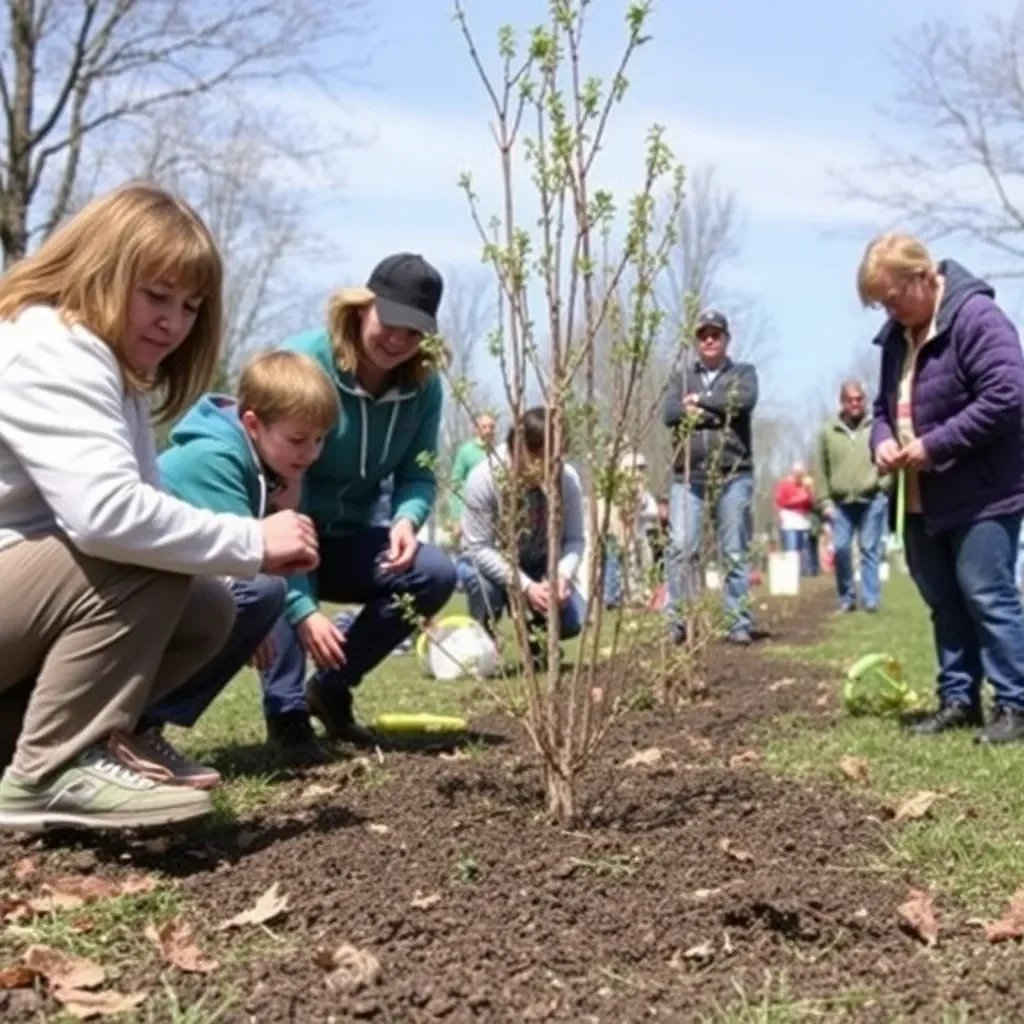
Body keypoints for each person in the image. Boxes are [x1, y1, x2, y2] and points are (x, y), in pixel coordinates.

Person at [0, 183, 318, 831]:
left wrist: (239, 576)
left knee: (208, 605)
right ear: (102, 269)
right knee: (141, 558)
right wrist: (253, 541)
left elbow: (142, 502)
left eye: (191, 305)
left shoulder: (116, 374)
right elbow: (108, 516)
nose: (174, 322)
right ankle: (49, 772)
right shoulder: (50, 346)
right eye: (156, 296)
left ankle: (94, 742)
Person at [260, 254, 458, 758]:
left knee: (433, 573)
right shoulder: (306, 362)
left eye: (414, 333)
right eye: (389, 323)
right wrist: (303, 607)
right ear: (362, 306)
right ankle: (286, 716)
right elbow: (275, 487)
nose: (397, 341)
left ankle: (330, 687)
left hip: (350, 538)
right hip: (283, 525)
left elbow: (417, 470)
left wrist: (407, 519)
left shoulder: (422, 386)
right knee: (281, 567)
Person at [861, 232, 1024, 743]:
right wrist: (883, 441)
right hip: (920, 496)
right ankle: (959, 699)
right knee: (943, 600)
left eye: (892, 298)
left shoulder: (976, 318)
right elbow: (883, 410)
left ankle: (1015, 704)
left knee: (988, 595)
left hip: (983, 492)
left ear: (922, 277)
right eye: (881, 304)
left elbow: (1007, 394)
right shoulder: (896, 337)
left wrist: (934, 446)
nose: (889, 311)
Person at [147, 350, 341, 766]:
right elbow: (246, 559)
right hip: (138, 591)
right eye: (297, 439)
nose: (310, 453)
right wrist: (272, 616)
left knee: (267, 593)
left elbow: (282, 556)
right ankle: (141, 722)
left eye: (319, 439)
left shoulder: (266, 466)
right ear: (253, 424)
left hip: (177, 584)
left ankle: (142, 723)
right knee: (261, 592)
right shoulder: (214, 460)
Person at [459, 406, 586, 667]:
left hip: (540, 563)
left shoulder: (567, 479)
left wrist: (561, 575)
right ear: (519, 448)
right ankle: (486, 640)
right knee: (484, 588)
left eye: (556, 459)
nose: (549, 468)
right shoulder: (484, 479)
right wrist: (525, 586)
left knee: (574, 622)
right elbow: (479, 548)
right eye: (541, 458)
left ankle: (536, 640)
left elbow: (575, 538)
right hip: (487, 565)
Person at [664, 308, 759, 645]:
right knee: (680, 548)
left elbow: (742, 402)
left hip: (733, 473)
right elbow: (670, 412)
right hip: (688, 475)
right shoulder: (680, 377)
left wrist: (701, 403)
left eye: (715, 334)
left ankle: (738, 622)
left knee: (733, 550)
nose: (709, 339)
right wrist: (715, 411)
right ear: (696, 341)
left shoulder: (743, 373)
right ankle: (677, 621)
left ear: (726, 339)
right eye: (703, 334)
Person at [817, 379, 889, 613]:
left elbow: (888, 457)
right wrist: (824, 500)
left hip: (872, 498)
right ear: (842, 402)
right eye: (850, 400)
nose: (855, 404)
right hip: (840, 503)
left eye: (859, 399)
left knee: (870, 549)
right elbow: (820, 468)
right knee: (840, 549)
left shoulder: (876, 426)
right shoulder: (828, 431)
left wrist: (884, 485)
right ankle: (847, 598)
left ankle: (870, 600)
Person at [449, 413, 496, 531]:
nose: (488, 430)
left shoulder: (497, 453)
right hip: (468, 511)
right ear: (476, 429)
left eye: (491, 427)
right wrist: (456, 516)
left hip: (491, 514)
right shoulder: (466, 452)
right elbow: (456, 484)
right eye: (484, 427)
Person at [774, 463, 815, 575]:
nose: (800, 476)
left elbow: (811, 504)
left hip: (803, 520)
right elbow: (780, 501)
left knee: (803, 548)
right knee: (791, 548)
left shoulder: (805, 485)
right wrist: (797, 499)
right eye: (798, 474)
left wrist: (810, 492)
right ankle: (791, 573)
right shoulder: (784, 485)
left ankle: (804, 572)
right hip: (789, 519)